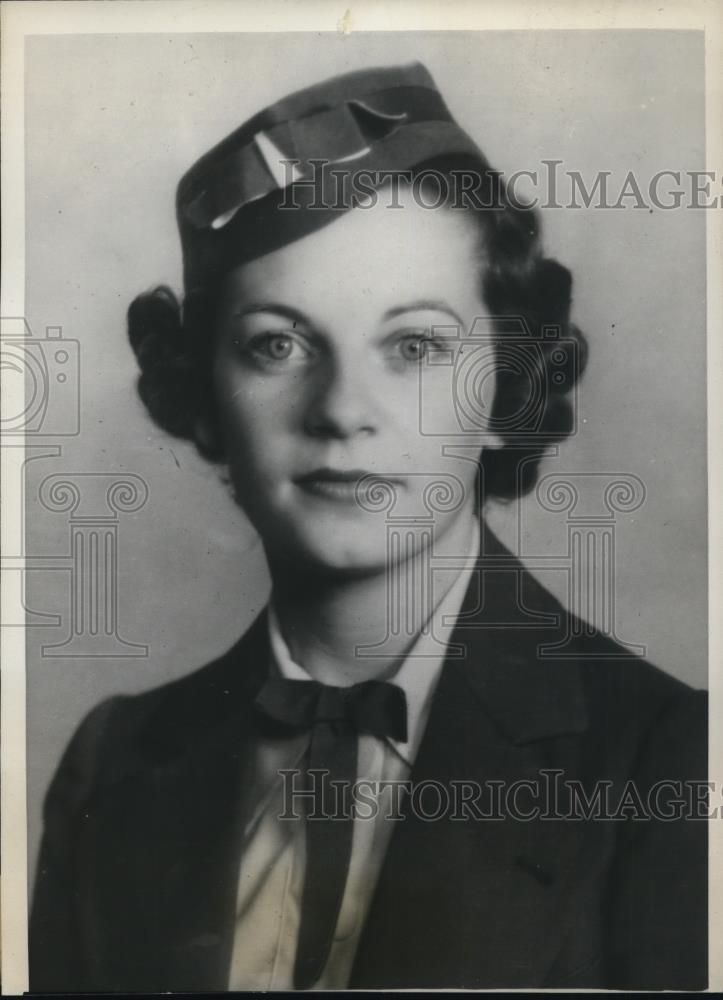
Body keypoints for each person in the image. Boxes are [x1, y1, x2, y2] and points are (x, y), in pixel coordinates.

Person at [29, 61, 707, 992]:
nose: (343, 408)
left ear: (509, 388)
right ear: (204, 397)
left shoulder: (672, 766)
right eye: (278, 343)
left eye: (415, 346)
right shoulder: (113, 766)